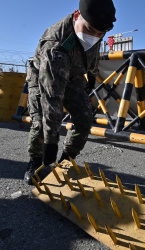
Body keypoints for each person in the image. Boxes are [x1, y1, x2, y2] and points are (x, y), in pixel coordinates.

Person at [24, 0, 116, 184]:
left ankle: (66, 161)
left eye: (100, 34)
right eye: (90, 30)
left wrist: (91, 77)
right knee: (42, 124)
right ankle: (35, 162)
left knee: (84, 118)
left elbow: (93, 56)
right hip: (44, 78)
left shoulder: (95, 30)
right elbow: (52, 99)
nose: (94, 36)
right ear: (76, 16)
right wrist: (51, 144)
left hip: (73, 76)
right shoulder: (56, 45)